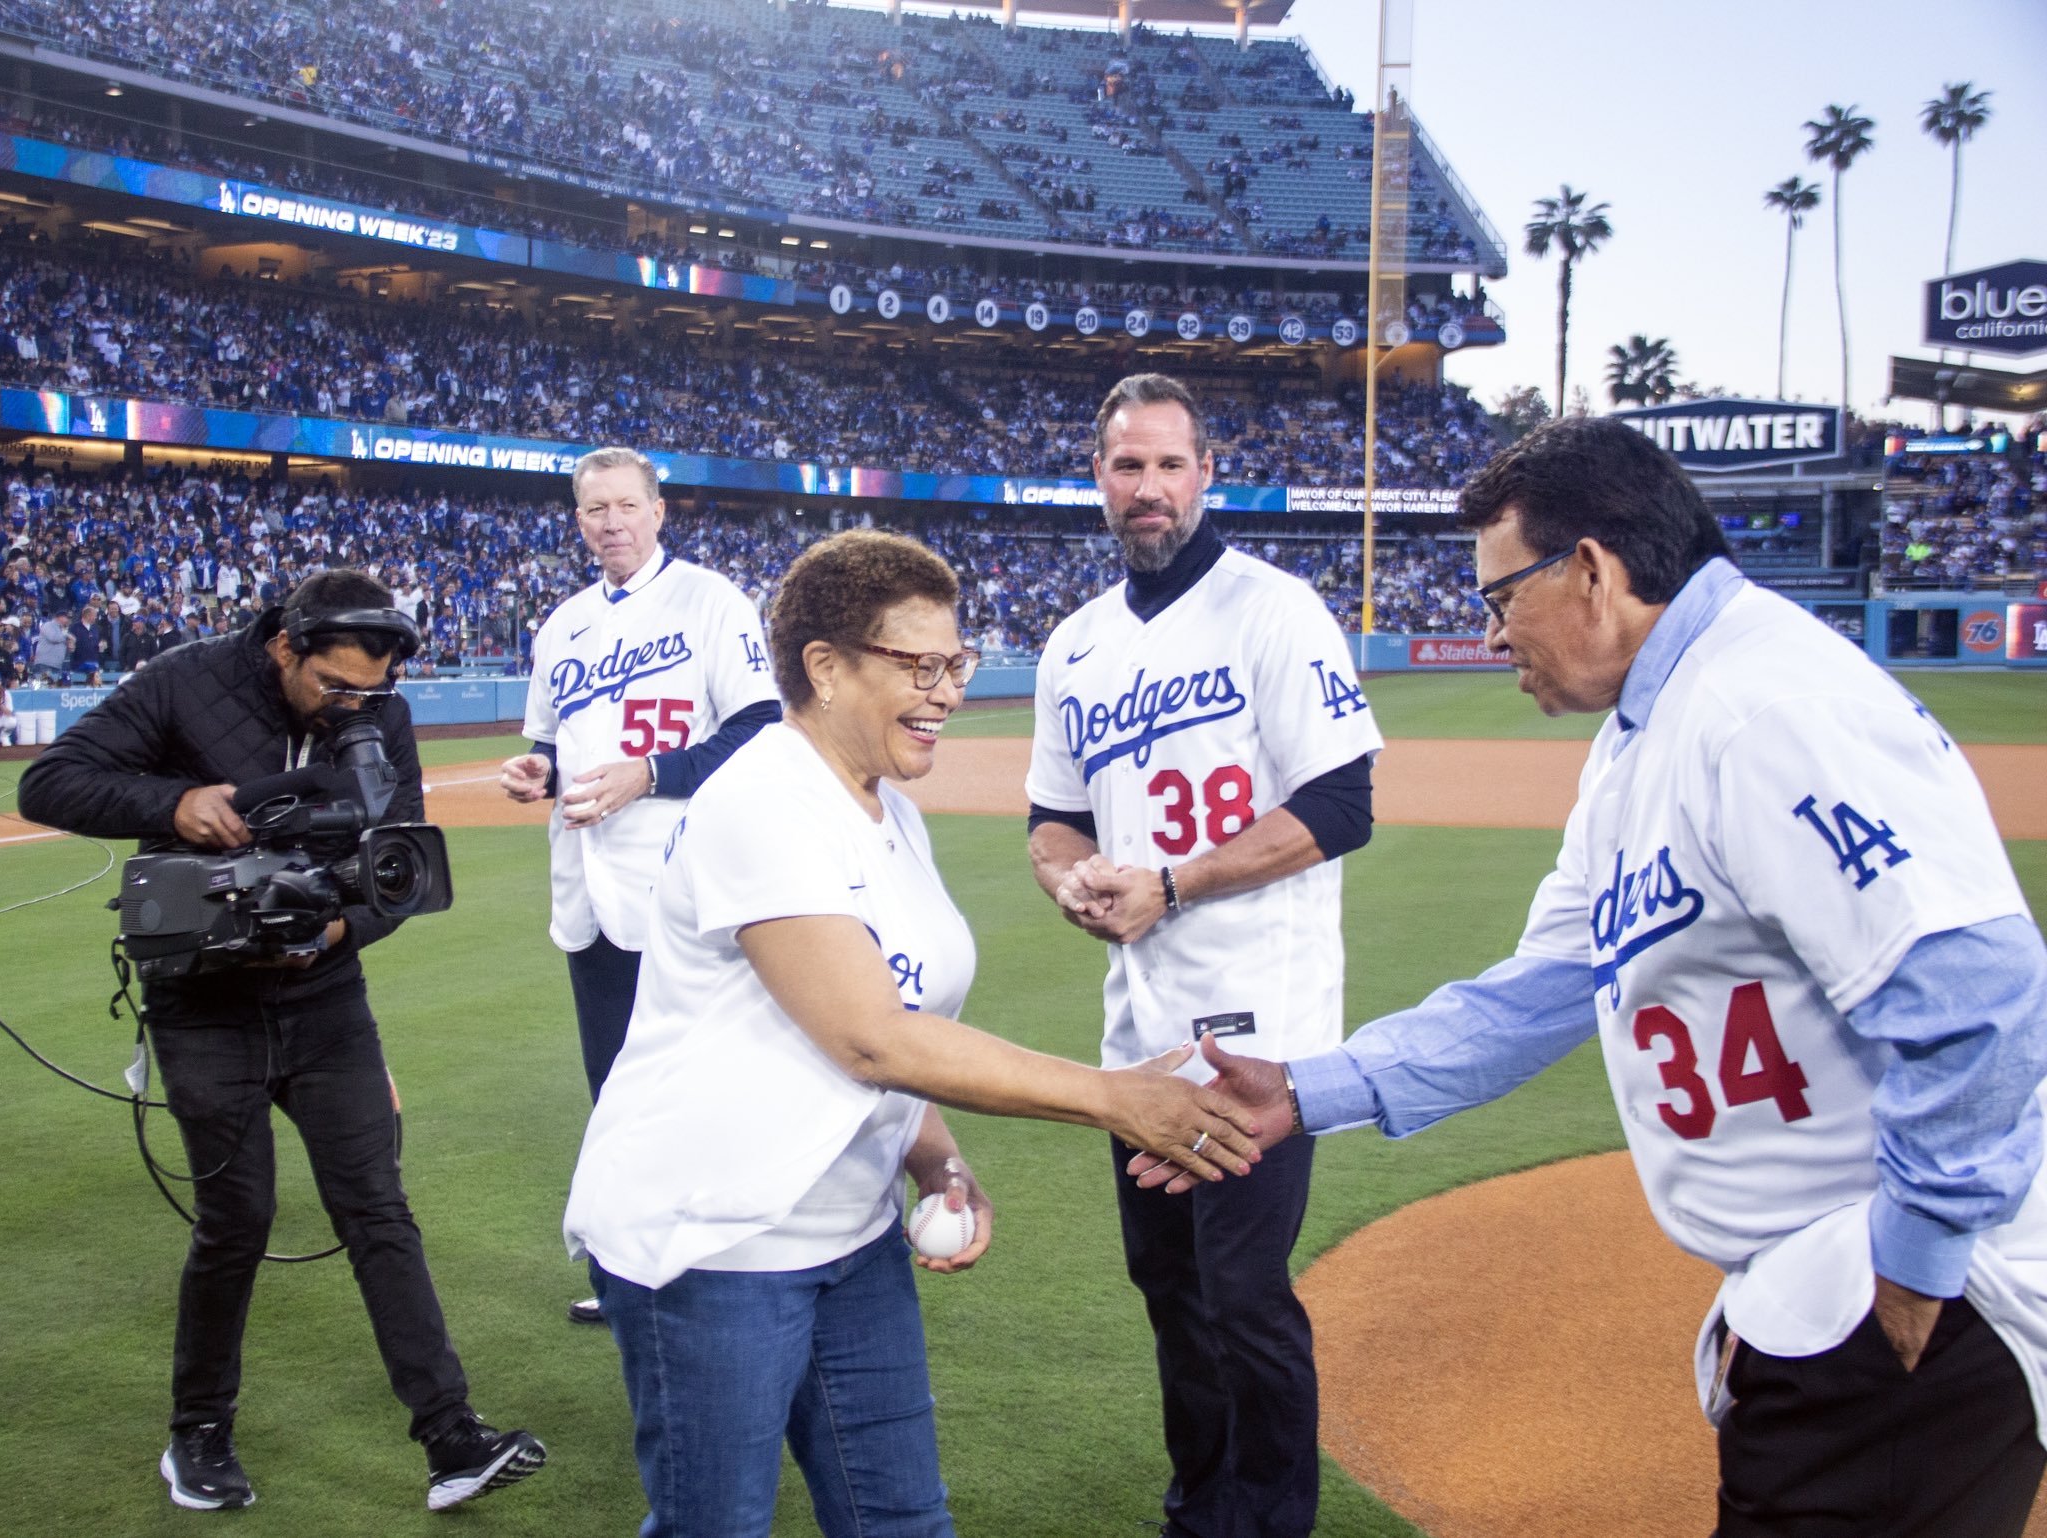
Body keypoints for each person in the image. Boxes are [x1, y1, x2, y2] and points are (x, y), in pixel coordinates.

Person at [1138, 417, 2047, 1538]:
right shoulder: (1640, 734)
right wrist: (1305, 1090)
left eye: (1497, 598)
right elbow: (1540, 988)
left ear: (1589, 571)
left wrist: (1910, 1276)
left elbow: (1974, 983)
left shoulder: (1763, 706)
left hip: (1899, 1307)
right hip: (1809, 1298)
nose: (1487, 633)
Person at [563, 530, 1264, 1538]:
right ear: (825, 666)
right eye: (918, 665)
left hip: (851, 1237)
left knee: (901, 1520)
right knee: (711, 1525)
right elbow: (869, 1037)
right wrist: (1115, 1097)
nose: (945, 690)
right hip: (716, 1239)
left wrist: (931, 1155)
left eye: (954, 663)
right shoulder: (762, 799)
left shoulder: (886, 807)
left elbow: (899, 1015)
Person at [17, 570, 546, 1515]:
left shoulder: (379, 711)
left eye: (370, 693)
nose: (356, 707)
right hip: (203, 1000)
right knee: (238, 1219)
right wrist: (174, 805)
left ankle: (451, 1437)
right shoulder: (185, 681)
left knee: (378, 1207)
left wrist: (344, 930)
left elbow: (400, 865)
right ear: (283, 645)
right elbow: (51, 782)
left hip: (325, 995)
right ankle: (198, 1434)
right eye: (337, 687)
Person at [1024, 373, 1382, 1538]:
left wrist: (1173, 881)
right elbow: (1051, 817)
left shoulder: (1271, 609)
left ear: (1203, 474)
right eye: (1127, 465)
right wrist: (1070, 876)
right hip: (1140, 1028)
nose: (1148, 487)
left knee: (1242, 1295)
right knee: (1169, 1287)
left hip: (1257, 1024)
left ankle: (1267, 1516)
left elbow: (1342, 802)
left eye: (1169, 464)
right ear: (1099, 479)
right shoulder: (1073, 645)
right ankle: (1199, 1500)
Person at [499, 446, 782, 1326]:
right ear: (578, 521)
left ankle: (715, 1270)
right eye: (594, 510)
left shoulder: (711, 601)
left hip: (682, 888)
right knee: (612, 1089)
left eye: (627, 505)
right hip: (588, 893)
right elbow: (552, 742)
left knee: (692, 1085)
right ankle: (627, 1273)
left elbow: (762, 728)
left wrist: (650, 772)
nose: (612, 522)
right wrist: (535, 771)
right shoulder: (562, 626)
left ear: (660, 511)